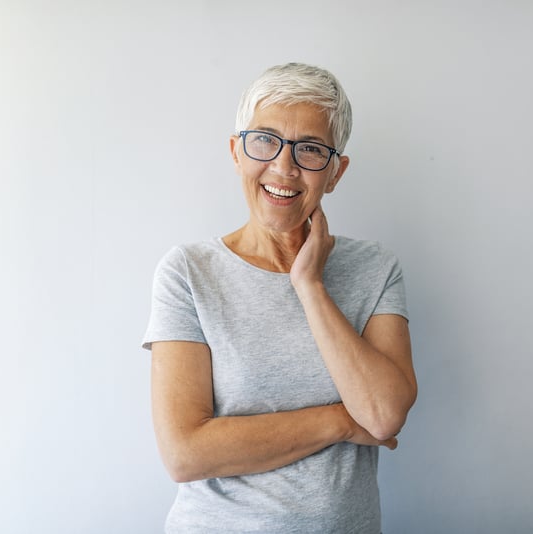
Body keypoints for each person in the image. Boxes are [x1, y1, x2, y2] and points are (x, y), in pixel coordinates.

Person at [142, 62, 417, 533]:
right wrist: (340, 422)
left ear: (335, 172)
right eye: (265, 140)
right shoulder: (188, 272)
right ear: (236, 152)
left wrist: (310, 286)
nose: (284, 167)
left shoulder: (376, 269)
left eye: (310, 149)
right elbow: (185, 454)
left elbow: (383, 415)